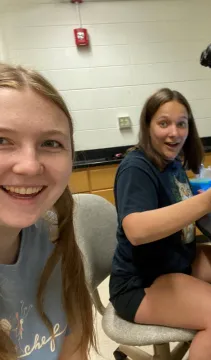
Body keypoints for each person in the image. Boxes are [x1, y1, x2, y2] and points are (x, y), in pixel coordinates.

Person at [110, 88, 211, 360]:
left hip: (174, 261)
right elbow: (136, 231)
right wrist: (206, 202)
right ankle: (209, 325)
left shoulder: (172, 163)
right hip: (140, 282)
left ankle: (201, 335)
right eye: (163, 123)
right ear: (147, 126)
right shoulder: (136, 167)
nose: (174, 133)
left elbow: (178, 209)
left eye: (181, 123)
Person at [0, 64, 96, 360]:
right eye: (2, 140)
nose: (29, 165)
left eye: (50, 143)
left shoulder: (53, 235)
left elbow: (74, 347)